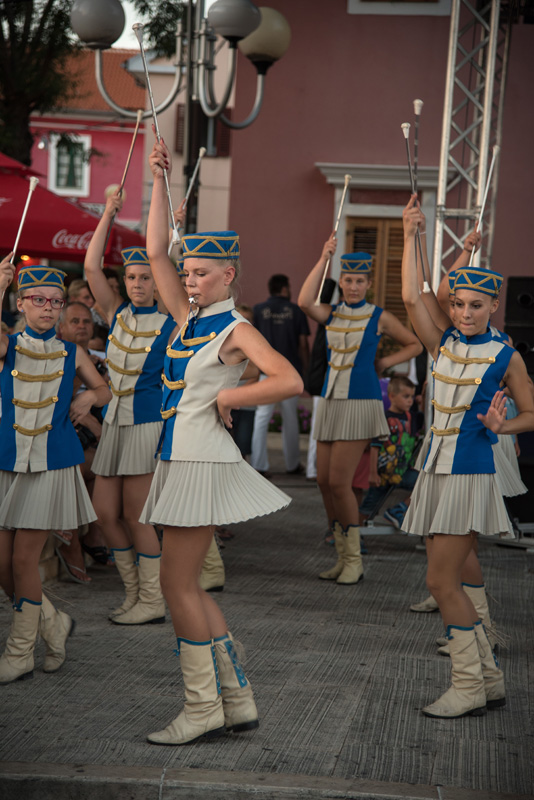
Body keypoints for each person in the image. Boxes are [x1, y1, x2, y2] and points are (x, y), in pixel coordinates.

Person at [141, 137, 303, 746]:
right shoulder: (189, 319)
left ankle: (203, 706)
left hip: (199, 459)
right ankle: (233, 699)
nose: (189, 280)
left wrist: (230, 398)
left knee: (176, 585)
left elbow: (286, 377)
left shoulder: (234, 327)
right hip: (181, 457)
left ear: (229, 274)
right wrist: (160, 179)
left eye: (201, 273)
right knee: (188, 585)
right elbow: (156, 250)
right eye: (188, 274)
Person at [400, 194, 534, 718]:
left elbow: (532, 412)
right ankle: (488, 679)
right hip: (434, 468)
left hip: (470, 470)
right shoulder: (444, 343)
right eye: (457, 304)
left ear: (493, 306)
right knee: (442, 575)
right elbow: (413, 297)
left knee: (440, 580)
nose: (463, 313)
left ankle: (469, 685)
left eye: (475, 306)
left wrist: (507, 426)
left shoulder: (506, 355)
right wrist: (411, 232)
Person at [0, 257, 110, 684]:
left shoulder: (73, 350)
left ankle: (20, 652)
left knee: (24, 559)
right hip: (7, 458)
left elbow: (103, 387)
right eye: (38, 300)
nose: (48, 308)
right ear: (21, 303)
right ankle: (52, 622)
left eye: (55, 302)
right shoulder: (8, 344)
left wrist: (89, 398)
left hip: (50, 462)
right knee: (2, 564)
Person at [298, 236, 422, 585]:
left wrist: (384, 362)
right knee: (324, 481)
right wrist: (324, 257)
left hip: (362, 401)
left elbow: (414, 343)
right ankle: (342, 555)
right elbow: (305, 300)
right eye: (348, 280)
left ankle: (354, 559)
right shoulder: (332, 313)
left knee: (340, 482)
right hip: (331, 401)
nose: (353, 286)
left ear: (369, 283)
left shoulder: (379, 316)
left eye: (359, 281)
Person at [84, 191, 177, 625]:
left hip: (144, 425)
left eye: (146, 277)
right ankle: (134, 591)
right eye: (133, 277)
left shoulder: (174, 325)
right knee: (105, 513)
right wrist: (107, 213)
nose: (139, 284)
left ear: (159, 281)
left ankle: (153, 599)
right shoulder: (115, 311)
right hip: (114, 425)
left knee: (138, 518)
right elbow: (89, 267)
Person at [250, 274, 309, 476]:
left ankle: (258, 464)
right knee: (290, 419)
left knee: (261, 417)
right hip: (289, 374)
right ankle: (292, 465)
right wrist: (306, 371)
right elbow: (303, 344)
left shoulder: (258, 311)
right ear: (284, 288)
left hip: (265, 372)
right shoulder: (296, 311)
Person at [360, 376, 420, 528]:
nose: (410, 400)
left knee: (424, 483)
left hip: (402, 471)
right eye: (406, 396)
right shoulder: (384, 418)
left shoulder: (410, 417)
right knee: (369, 506)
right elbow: (375, 447)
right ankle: (357, 533)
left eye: (412, 397)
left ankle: (398, 510)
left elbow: (425, 417)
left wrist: (425, 394)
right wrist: (373, 473)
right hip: (383, 473)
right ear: (392, 396)